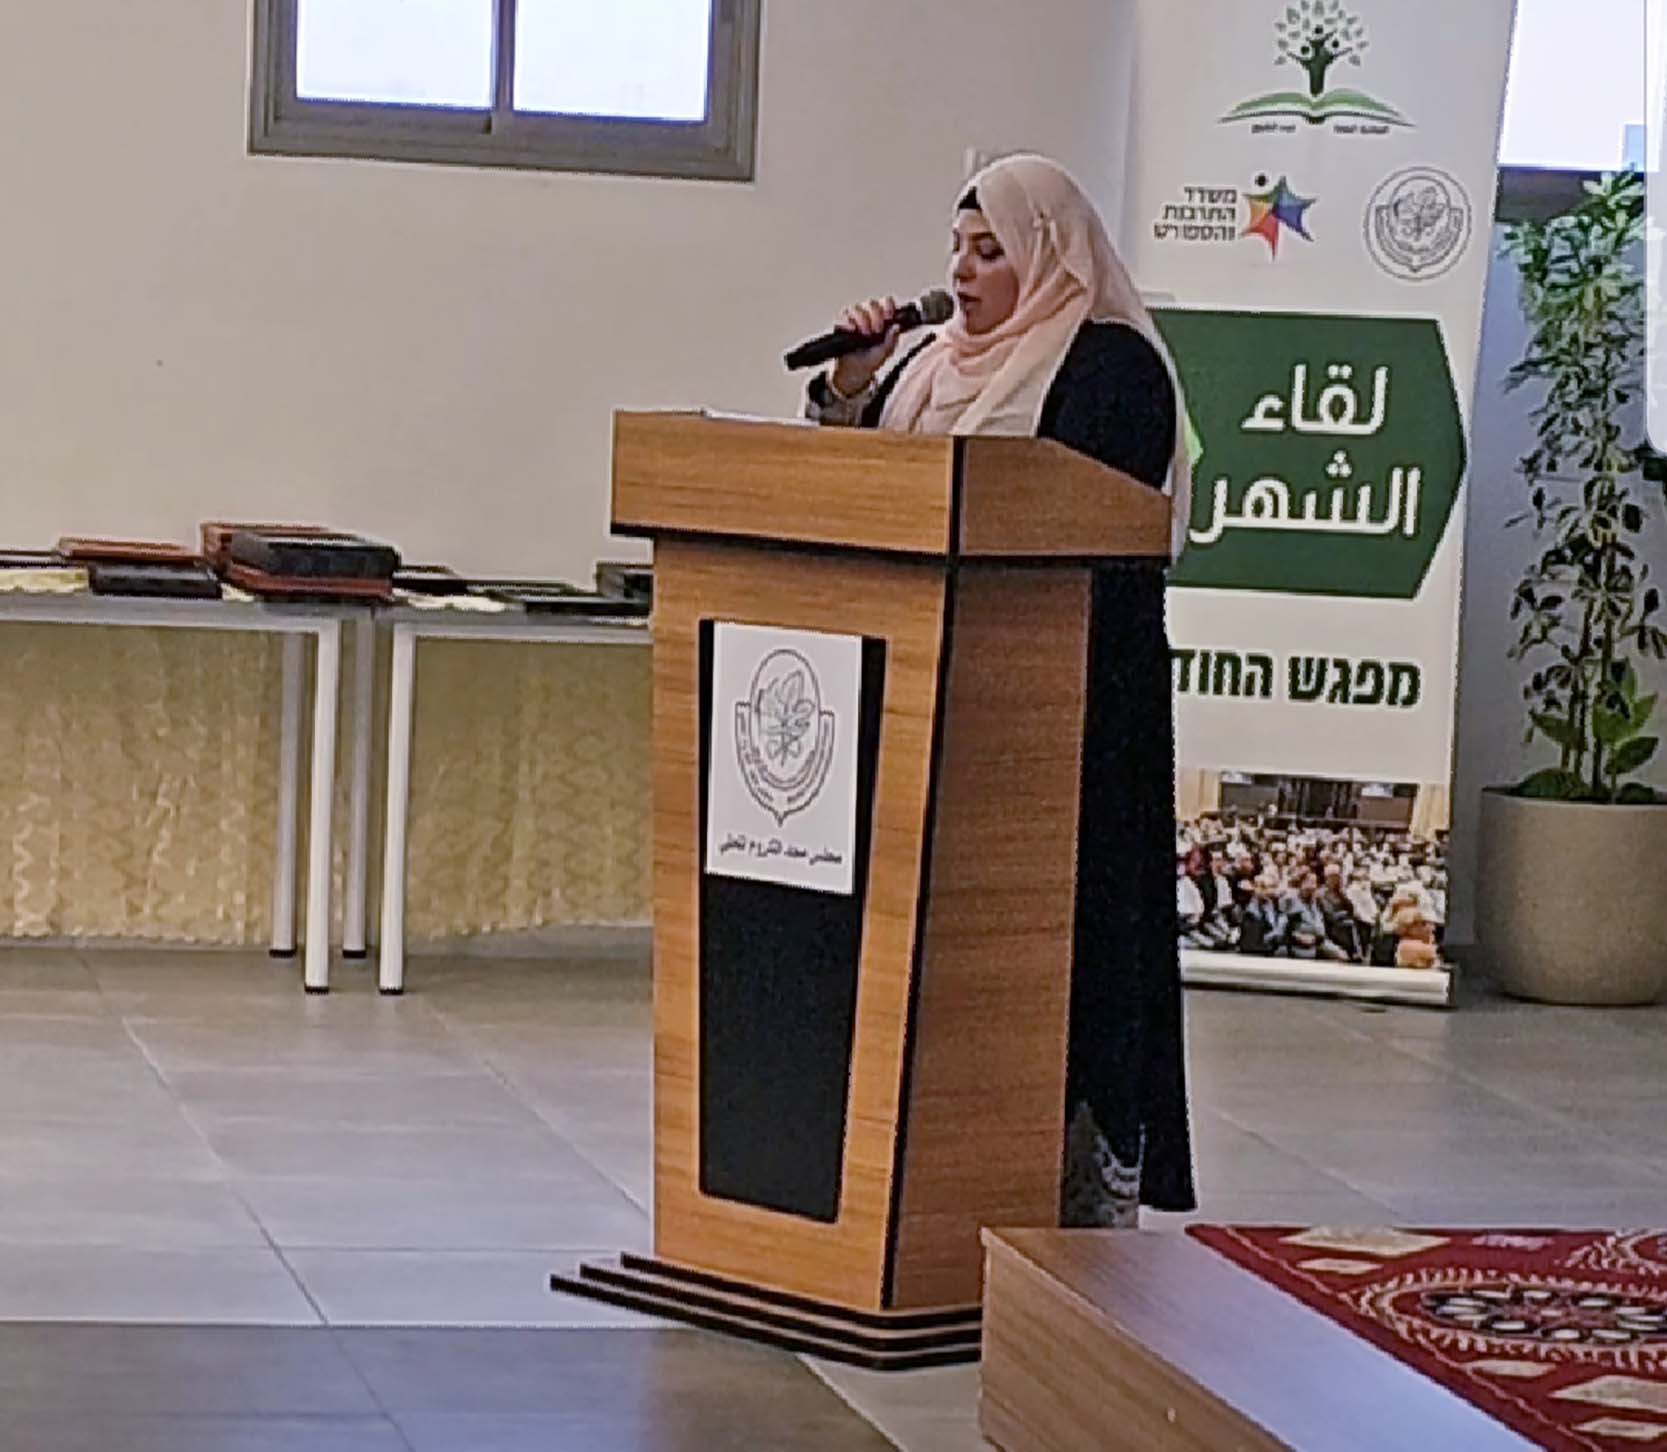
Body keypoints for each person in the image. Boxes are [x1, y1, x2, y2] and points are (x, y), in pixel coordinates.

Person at [804, 154, 1195, 1227]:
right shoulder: (925, 367)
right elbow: (857, 496)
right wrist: (851, 387)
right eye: (955, 250)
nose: (961, 274)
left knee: (1060, 949)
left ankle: (1068, 1187)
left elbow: (1067, 514)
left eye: (989, 252)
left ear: (1047, 256)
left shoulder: (1111, 366)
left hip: (1070, 715)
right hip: (924, 705)